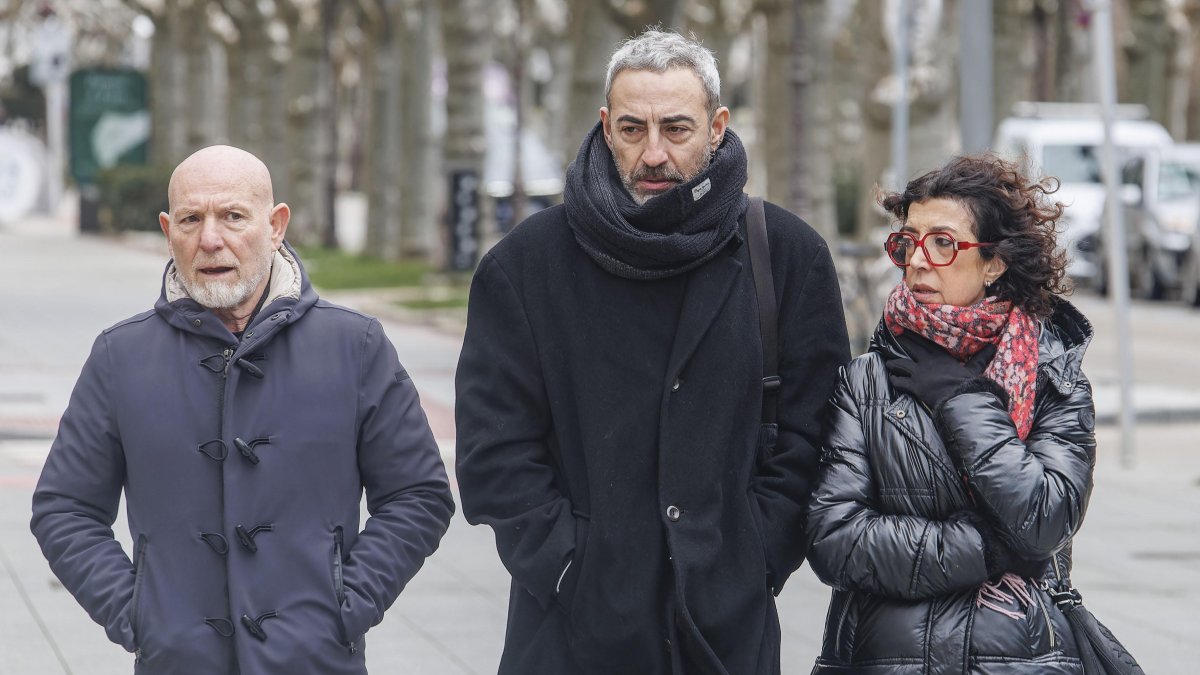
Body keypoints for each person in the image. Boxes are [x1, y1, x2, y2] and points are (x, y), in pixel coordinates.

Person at [454, 29, 850, 674]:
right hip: (570, 630)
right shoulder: (524, 266)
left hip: (727, 622)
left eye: (677, 128)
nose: (655, 153)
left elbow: (817, 434)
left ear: (717, 127)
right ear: (606, 126)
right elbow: (492, 448)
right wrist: (566, 566)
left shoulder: (787, 254)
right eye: (633, 129)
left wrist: (753, 556)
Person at [30, 145, 454, 674]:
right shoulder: (121, 356)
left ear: (276, 225)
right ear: (168, 231)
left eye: (233, 216)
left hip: (315, 661)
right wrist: (138, 613)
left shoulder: (355, 345)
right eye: (191, 218)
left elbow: (419, 494)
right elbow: (64, 509)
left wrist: (347, 604)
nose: (210, 239)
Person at [806, 153, 1097, 674]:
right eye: (908, 241)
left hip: (1019, 660)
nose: (917, 260)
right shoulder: (867, 380)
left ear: (994, 262)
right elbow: (836, 539)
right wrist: (984, 550)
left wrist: (961, 400)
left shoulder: (1052, 376)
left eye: (943, 242)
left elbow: (1043, 518)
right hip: (885, 659)